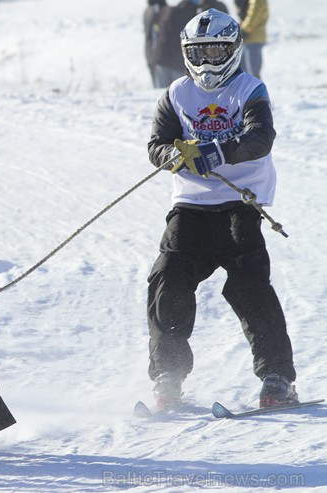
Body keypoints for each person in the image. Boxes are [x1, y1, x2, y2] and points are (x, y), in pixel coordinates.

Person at [146, 9, 297, 412]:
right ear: (186, 54)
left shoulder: (250, 88)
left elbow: (260, 138)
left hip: (239, 204)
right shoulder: (176, 93)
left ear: (232, 50)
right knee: (168, 279)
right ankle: (169, 376)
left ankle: (276, 377)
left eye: (217, 52)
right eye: (200, 52)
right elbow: (156, 145)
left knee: (250, 285)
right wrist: (176, 156)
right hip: (191, 206)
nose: (209, 61)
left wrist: (216, 152)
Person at [151, 0, 228, 88]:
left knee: (162, 94)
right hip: (176, 61)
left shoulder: (169, 11)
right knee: (179, 91)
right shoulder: (190, 20)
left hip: (160, 57)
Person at [235, 0, 268, 79]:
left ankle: (257, 91)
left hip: (254, 38)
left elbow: (254, 15)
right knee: (243, 72)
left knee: (252, 73)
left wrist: (244, 30)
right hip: (247, 39)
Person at [143, 0, 167, 87]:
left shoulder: (148, 10)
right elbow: (157, 33)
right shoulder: (157, 10)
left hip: (150, 52)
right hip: (158, 54)